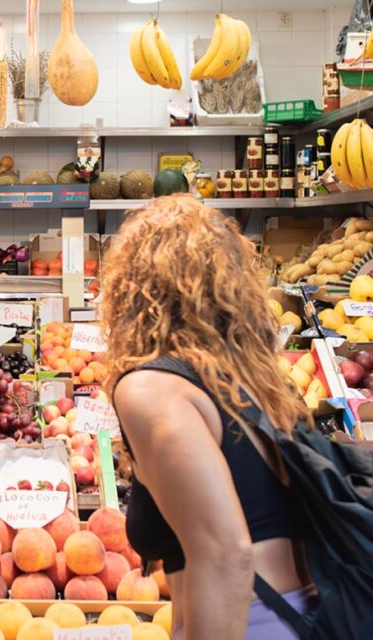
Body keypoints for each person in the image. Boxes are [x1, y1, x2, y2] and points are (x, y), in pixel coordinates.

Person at [100, 196, 314, 640]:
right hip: (307, 616)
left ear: (134, 289)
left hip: (248, 624)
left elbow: (226, 554)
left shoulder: (150, 389)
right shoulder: (258, 378)